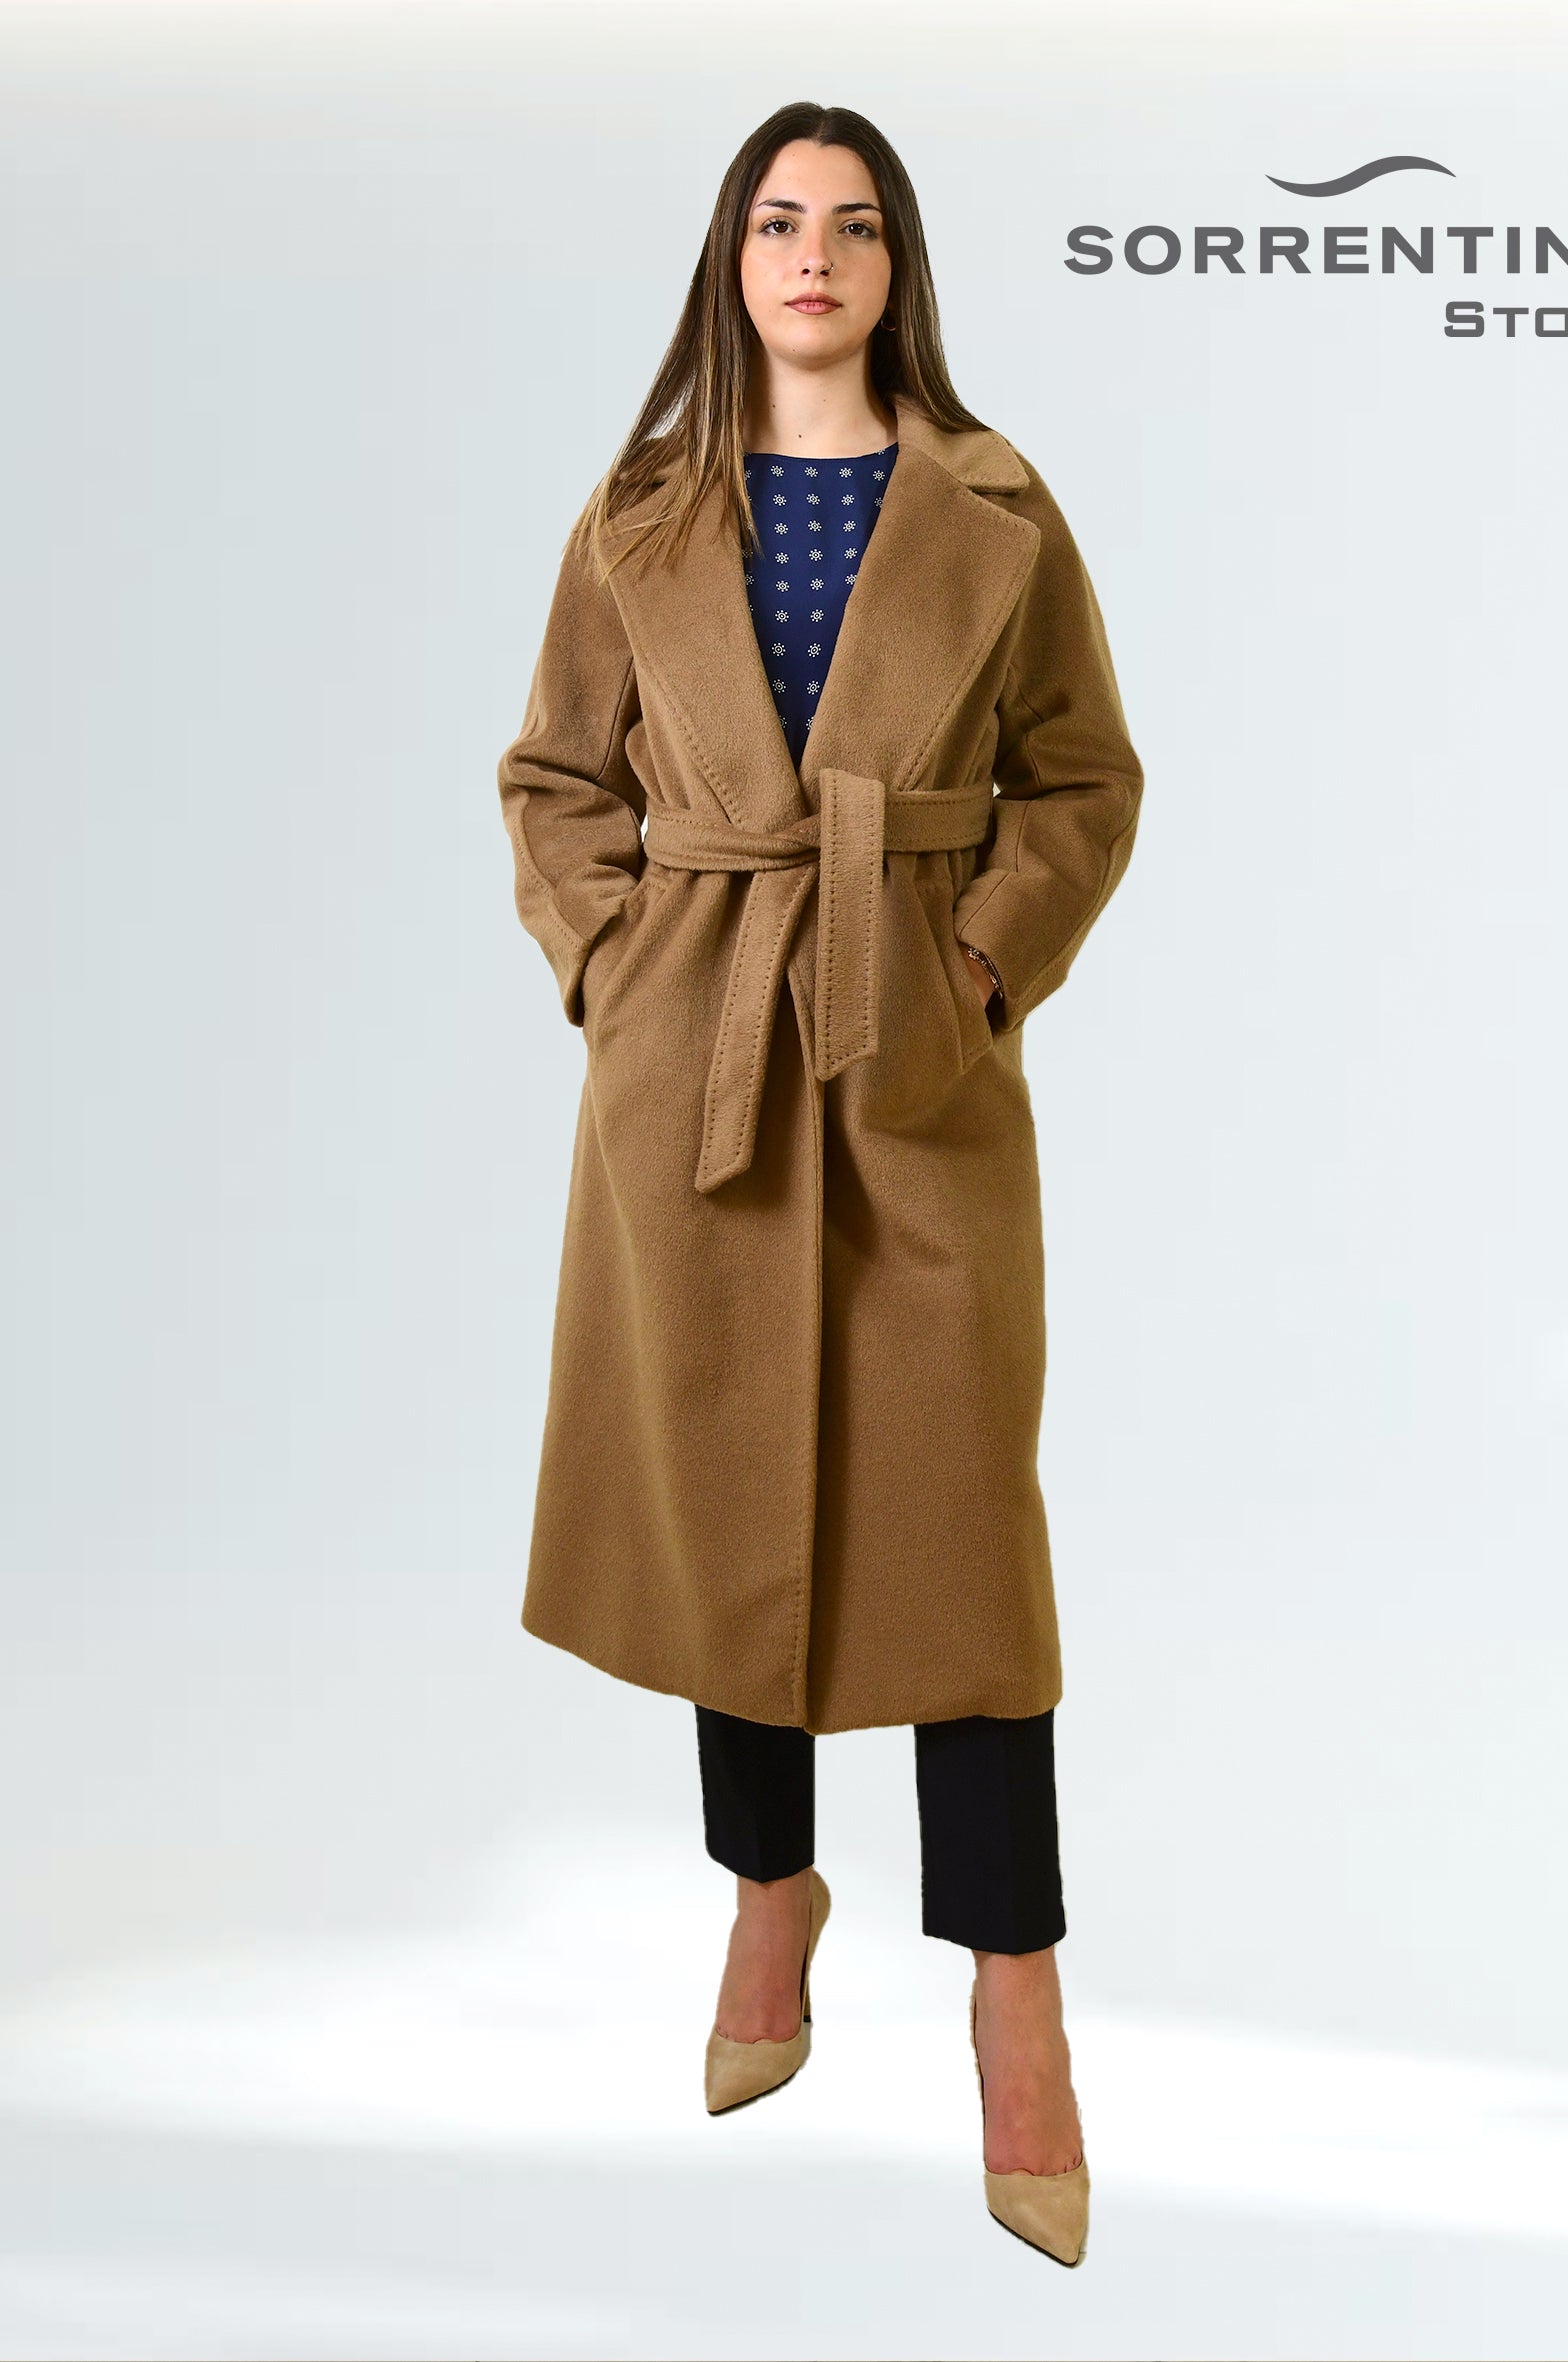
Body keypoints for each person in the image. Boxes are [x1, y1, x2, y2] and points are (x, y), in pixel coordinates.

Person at [495, 100, 1142, 2268]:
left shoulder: (996, 505)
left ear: (895, 266)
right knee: (726, 1486)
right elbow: (553, 779)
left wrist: (979, 959)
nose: (813, 254)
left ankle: (1017, 1995)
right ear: (731, 256)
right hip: (695, 1058)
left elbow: (1083, 779)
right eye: (779, 220)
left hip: (912, 1049)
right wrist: (616, 966)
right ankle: (768, 1891)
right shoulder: (640, 513)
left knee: (964, 1533)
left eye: (854, 225)